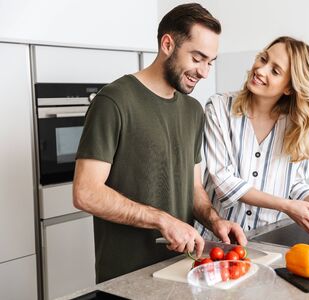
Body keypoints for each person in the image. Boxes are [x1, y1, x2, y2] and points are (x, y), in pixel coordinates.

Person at [73, 3, 246, 283]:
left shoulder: (193, 111)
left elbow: (193, 188)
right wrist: (162, 220)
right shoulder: (114, 101)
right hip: (125, 279)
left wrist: (215, 222)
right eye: (197, 58)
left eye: (210, 62)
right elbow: (85, 192)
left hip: (183, 270)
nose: (204, 72)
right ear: (168, 44)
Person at [195, 36, 309, 242]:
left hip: (265, 242)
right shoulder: (219, 108)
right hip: (215, 239)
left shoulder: (299, 124)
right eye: (263, 59)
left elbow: (294, 184)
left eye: (275, 70)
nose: (260, 70)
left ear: (289, 87)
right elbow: (223, 180)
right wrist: (285, 206)